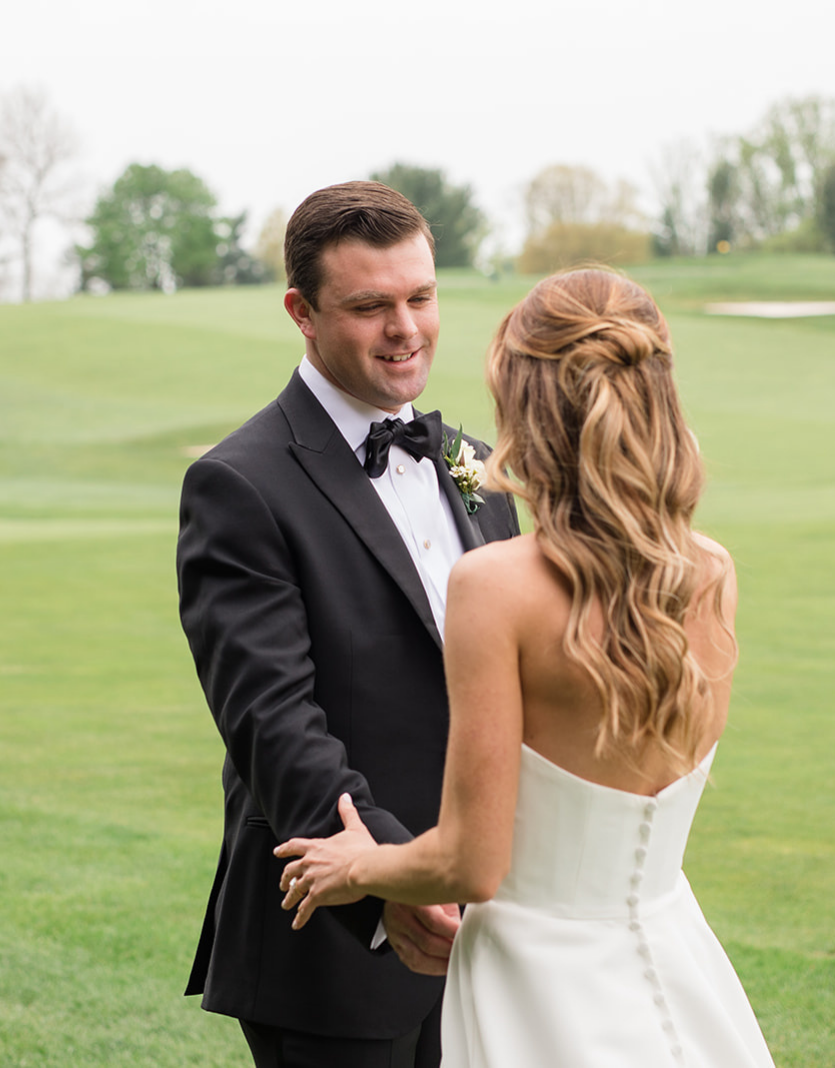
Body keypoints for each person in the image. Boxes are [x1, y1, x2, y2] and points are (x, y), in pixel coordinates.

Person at [275, 269, 777, 1068]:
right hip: (677, 955)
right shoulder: (711, 570)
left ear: (527, 406)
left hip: (538, 981)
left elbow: (471, 863)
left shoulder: (496, 586)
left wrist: (356, 862)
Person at [175, 181, 520, 1068]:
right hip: (335, 938)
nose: (406, 327)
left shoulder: (479, 467)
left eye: (420, 297)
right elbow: (275, 725)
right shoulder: (239, 485)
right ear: (302, 311)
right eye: (370, 306)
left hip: (491, 928)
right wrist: (399, 882)